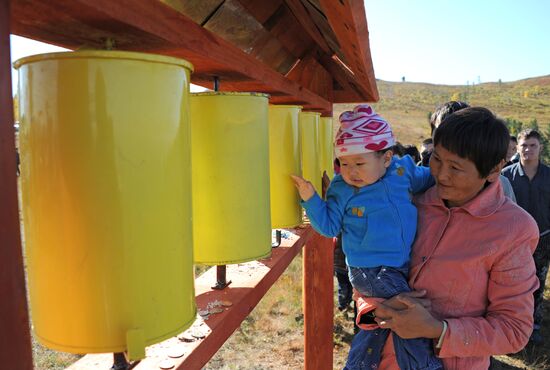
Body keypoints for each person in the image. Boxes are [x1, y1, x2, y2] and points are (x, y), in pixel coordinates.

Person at [353, 107, 539, 370]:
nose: (440, 174)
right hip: (375, 359)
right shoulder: (409, 203)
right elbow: (366, 275)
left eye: (455, 167)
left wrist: (437, 329)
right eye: (437, 159)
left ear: (494, 170)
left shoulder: (514, 230)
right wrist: (375, 311)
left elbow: (514, 330)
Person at [291, 104, 441, 370]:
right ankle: (424, 366)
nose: (351, 171)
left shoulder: (401, 171)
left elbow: (431, 179)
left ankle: (358, 365)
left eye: (360, 163)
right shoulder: (342, 188)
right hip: (369, 270)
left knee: (378, 326)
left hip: (398, 266)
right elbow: (328, 227)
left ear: (386, 158)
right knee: (408, 316)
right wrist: (311, 198)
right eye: (344, 163)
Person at [501, 129, 550, 345]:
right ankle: (512, 325)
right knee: (512, 285)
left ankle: (534, 326)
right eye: (524, 145)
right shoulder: (506, 176)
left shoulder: (549, 175)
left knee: (538, 283)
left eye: (533, 145)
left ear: (540, 148)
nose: (528, 149)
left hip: (543, 238)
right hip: (514, 242)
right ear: (517, 147)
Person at [425, 101, 516, 201]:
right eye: (441, 130)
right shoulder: (419, 181)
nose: (442, 176)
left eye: (455, 167)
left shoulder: (501, 187)